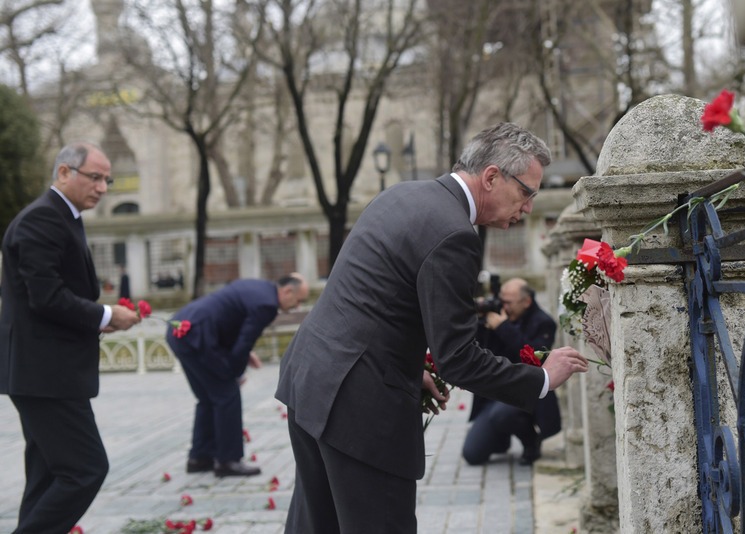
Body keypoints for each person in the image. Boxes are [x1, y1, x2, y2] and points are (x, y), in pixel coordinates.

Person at [276, 122, 590, 533]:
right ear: (492, 177)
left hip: (310, 380)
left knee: (318, 525)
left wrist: (408, 367)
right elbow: (459, 359)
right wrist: (541, 379)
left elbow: (369, 302)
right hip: (358, 409)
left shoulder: (402, 195)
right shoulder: (454, 235)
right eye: (526, 192)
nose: (529, 206)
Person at [0, 142, 142, 533]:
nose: (103, 188)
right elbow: (46, 298)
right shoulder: (42, 219)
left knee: (48, 476)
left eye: (107, 180)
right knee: (86, 469)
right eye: (94, 177)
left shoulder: (63, 216)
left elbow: (53, 297)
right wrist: (107, 313)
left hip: (46, 373)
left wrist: (102, 319)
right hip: (45, 375)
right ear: (64, 173)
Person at [166, 273, 309, 477]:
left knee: (208, 398)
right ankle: (228, 461)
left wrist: (237, 362)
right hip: (198, 336)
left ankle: (200, 457)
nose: (297, 307)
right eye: (298, 300)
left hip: (180, 329)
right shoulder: (267, 305)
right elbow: (244, 343)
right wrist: (236, 373)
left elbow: (231, 321)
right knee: (227, 395)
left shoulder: (259, 287)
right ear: (287, 291)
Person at [463, 278, 560, 466]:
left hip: (527, 392)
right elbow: (480, 350)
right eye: (502, 301)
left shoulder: (543, 322)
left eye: (509, 303)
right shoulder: (497, 316)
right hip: (495, 395)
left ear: (527, 302)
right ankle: (501, 439)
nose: (504, 307)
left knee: (502, 415)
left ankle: (531, 442)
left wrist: (503, 327)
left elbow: (533, 357)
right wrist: (481, 325)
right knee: (472, 455)